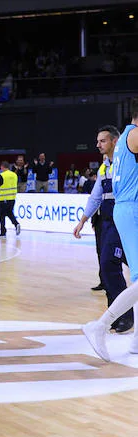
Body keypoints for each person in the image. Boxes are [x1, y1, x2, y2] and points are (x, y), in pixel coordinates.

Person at [83, 99, 138, 360]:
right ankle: (100, 326)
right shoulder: (134, 135)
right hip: (130, 211)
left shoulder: (125, 142)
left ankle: (136, 342)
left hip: (126, 211)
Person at [73, 127, 132, 333]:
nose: (98, 145)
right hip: (105, 223)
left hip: (120, 221)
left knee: (109, 264)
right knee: (109, 267)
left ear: (115, 141)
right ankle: (114, 315)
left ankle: (125, 316)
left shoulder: (126, 164)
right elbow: (96, 196)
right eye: (97, 141)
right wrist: (82, 220)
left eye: (102, 141)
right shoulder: (103, 168)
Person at [0, 161, 22, 238]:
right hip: (12, 198)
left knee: (1, 215)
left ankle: (3, 232)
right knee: (9, 213)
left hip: (3, 199)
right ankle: (16, 224)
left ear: (2, 167)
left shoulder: (2, 175)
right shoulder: (14, 175)